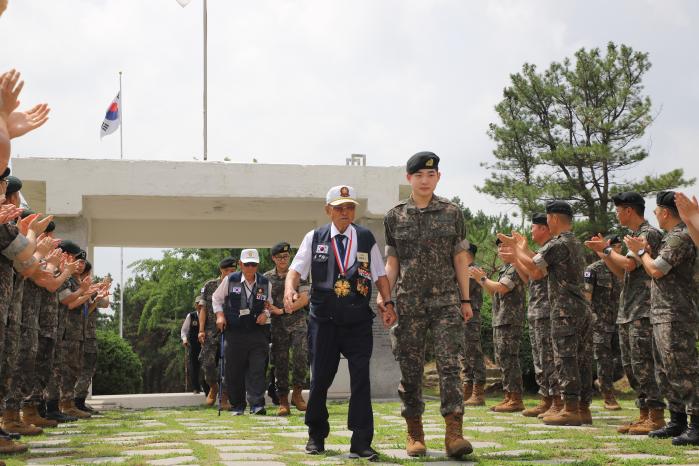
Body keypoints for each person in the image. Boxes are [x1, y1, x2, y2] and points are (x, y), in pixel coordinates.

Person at [285, 184, 395, 461]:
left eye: (350, 207)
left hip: (358, 321)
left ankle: (361, 442)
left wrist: (388, 302)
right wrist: (290, 289)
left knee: (361, 380)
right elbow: (295, 270)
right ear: (328, 211)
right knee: (320, 378)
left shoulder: (366, 237)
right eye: (339, 208)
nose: (346, 212)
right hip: (324, 321)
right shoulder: (315, 237)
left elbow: (380, 275)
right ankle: (316, 435)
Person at [383, 152, 473, 459]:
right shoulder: (394, 216)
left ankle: (454, 434)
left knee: (450, 366)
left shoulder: (452, 212)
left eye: (431, 175)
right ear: (409, 178)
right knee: (410, 369)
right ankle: (415, 433)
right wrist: (386, 296)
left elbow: (460, 258)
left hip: (447, 301)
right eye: (419, 175)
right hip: (409, 303)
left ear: (438, 177)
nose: (425, 180)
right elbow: (392, 261)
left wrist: (465, 298)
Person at [499, 200, 593, 426]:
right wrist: (521, 250)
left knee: (566, 359)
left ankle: (570, 408)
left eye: (548, 218)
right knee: (581, 360)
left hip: (564, 309)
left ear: (553, 219)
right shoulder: (574, 242)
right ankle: (582, 408)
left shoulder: (558, 243)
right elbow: (537, 264)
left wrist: (519, 249)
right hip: (578, 308)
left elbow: (534, 269)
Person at [585, 192, 665, 434]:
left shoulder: (647, 233)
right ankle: (643, 415)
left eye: (618, 210)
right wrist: (604, 253)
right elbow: (623, 273)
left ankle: (656, 415)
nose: (616, 214)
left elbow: (629, 264)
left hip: (643, 309)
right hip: (629, 309)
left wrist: (608, 250)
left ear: (629, 210)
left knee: (644, 364)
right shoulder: (634, 236)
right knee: (632, 365)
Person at [624, 191, 699, 445]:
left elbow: (656, 269)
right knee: (665, 371)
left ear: (665, 212)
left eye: (656, 210)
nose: (654, 214)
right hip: (662, 313)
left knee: (682, 369)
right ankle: (677, 420)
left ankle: (696, 423)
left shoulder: (679, 238)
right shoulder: (670, 237)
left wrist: (642, 251)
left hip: (676, 313)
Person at [212, 249, 272, 415]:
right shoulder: (231, 280)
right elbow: (216, 299)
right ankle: (237, 405)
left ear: (258, 265)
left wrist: (265, 314)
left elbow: (269, 304)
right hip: (235, 331)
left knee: (258, 368)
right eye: (247, 264)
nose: (250, 267)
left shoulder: (265, 282)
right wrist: (220, 316)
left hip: (257, 332)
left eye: (253, 264)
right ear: (240, 264)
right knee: (234, 370)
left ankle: (257, 404)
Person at [470, 238, 527, 412]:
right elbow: (492, 291)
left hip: (510, 319)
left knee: (509, 358)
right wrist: (482, 280)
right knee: (502, 358)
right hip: (500, 319)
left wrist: (484, 278)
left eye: (505, 246)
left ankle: (516, 398)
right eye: (499, 247)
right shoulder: (504, 269)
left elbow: (502, 288)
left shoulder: (516, 267)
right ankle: (508, 396)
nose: (501, 249)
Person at [516, 213, 560, 418]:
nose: (531, 231)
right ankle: (546, 399)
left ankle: (556, 400)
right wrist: (516, 256)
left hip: (547, 310)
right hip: (536, 309)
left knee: (549, 357)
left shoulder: (553, 247)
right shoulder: (541, 251)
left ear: (544, 228)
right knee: (540, 358)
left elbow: (536, 271)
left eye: (533, 227)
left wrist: (518, 249)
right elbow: (529, 278)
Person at [264, 241, 310, 416]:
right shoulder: (266, 278)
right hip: (277, 327)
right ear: (273, 259)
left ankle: (297, 394)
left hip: (298, 323)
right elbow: (264, 301)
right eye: (279, 257)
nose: (283, 260)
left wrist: (282, 310)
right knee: (280, 363)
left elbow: (304, 299)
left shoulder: (300, 275)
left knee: (300, 357)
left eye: (286, 256)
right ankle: (283, 400)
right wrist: (270, 310)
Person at [583, 235, 623, 411]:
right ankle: (608, 396)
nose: (616, 249)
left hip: (621, 321)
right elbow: (587, 298)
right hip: (600, 323)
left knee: (625, 359)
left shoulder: (623, 268)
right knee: (604, 359)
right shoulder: (593, 270)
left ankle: (603, 381)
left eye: (618, 246)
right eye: (612, 246)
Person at [198, 257, 236, 409]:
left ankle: (224, 397)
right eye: (227, 271)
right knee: (207, 362)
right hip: (210, 331)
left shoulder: (238, 284)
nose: (229, 274)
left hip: (231, 330)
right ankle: (213, 386)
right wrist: (201, 330)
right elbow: (203, 309)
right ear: (221, 270)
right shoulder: (210, 285)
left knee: (227, 365)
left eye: (233, 271)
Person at [461, 244, 486, 407]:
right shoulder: (464, 270)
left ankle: (478, 391)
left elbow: (463, 291)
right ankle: (467, 388)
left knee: (473, 352)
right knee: (464, 353)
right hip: (462, 316)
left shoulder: (473, 270)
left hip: (471, 316)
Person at [181, 297, 205, 393]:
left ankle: (207, 387)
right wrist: (184, 339)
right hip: (193, 345)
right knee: (194, 366)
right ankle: (196, 387)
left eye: (201, 305)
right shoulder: (191, 316)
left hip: (205, 345)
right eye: (197, 304)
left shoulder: (208, 316)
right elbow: (184, 330)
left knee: (206, 366)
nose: (199, 306)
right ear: (195, 305)